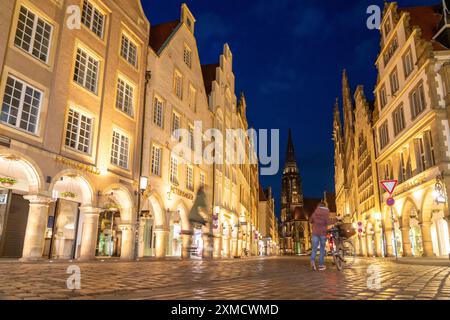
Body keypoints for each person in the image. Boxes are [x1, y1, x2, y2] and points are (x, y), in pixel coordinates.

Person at [309, 202, 337, 271]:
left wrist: (314, 222)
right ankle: (321, 265)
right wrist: (336, 219)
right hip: (322, 233)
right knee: (322, 249)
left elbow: (310, 220)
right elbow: (328, 221)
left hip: (315, 232)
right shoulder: (326, 211)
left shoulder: (315, 212)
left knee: (314, 248)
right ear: (325, 206)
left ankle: (312, 261)